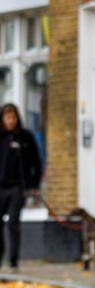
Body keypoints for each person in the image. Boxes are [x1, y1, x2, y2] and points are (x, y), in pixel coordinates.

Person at [0, 103, 42, 270]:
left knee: (13, 223)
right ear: (2, 119)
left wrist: (34, 184)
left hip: (18, 187)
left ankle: (14, 260)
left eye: (13, 118)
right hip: (0, 187)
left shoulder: (25, 137)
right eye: (7, 118)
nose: (11, 121)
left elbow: (36, 162)